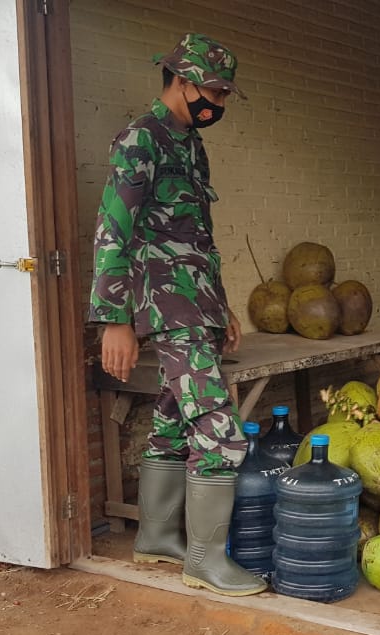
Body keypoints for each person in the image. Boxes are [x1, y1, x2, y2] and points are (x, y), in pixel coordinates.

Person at [89, 33, 265, 597]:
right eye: (214, 90)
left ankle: (158, 538)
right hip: (161, 303)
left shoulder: (190, 145)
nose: (220, 102)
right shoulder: (141, 138)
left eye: (224, 93)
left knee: (173, 413)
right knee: (218, 426)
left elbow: (200, 237)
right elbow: (113, 228)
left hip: (197, 304)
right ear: (183, 81)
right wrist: (113, 319)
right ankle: (205, 560)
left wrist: (223, 304)